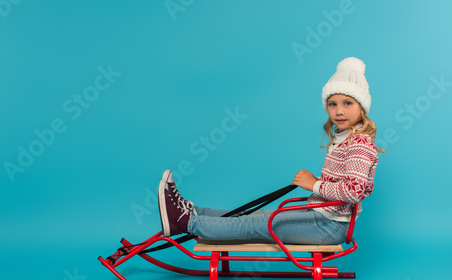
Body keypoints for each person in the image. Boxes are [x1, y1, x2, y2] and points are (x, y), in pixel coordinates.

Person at [157, 57, 384, 245]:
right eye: (333, 104)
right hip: (319, 216)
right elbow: (345, 183)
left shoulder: (359, 144)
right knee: (253, 215)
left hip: (328, 226)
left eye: (347, 103)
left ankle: (185, 223)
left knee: (253, 225)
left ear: (362, 107)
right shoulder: (344, 139)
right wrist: (317, 181)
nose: (338, 111)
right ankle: (193, 211)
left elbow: (353, 191)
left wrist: (313, 184)